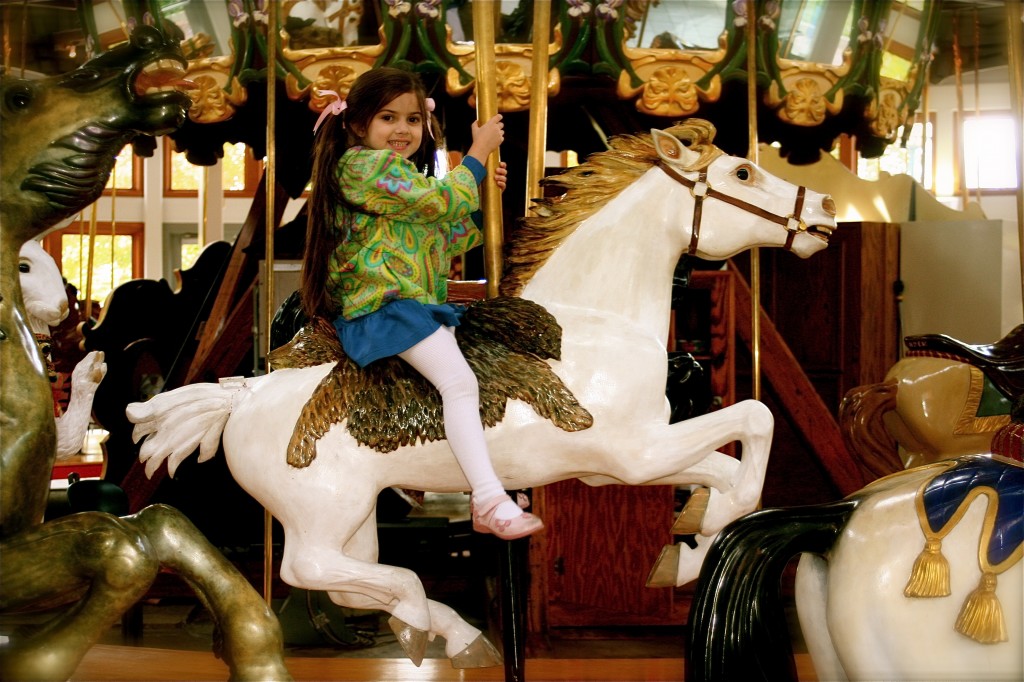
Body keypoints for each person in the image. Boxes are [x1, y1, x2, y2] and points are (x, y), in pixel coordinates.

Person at [301, 67, 543, 540]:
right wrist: (474, 157)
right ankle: (489, 499)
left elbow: (440, 235)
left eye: (413, 120)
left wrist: (473, 190)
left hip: (412, 302)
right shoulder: (363, 167)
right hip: (384, 304)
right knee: (458, 383)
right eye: (388, 118)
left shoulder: (395, 176)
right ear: (357, 125)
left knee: (484, 376)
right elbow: (437, 204)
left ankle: (490, 481)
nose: (403, 130)